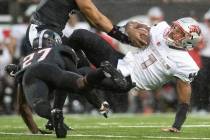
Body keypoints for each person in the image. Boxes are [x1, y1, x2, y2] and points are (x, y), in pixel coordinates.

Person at [63, 17, 201, 132]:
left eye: (179, 32)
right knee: (80, 35)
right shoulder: (161, 29)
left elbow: (184, 100)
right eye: (175, 27)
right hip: (121, 60)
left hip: (126, 80)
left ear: (188, 41)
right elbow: (132, 25)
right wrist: (129, 29)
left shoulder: (185, 64)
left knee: (81, 74)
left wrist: (177, 125)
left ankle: (85, 92)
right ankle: (89, 91)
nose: (172, 31)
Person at [6, 29, 127, 138]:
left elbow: (22, 106)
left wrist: (35, 131)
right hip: (52, 70)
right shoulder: (60, 50)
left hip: (31, 73)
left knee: (39, 103)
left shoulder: (25, 60)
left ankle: (54, 116)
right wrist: (99, 103)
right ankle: (103, 70)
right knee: (81, 83)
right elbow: (80, 83)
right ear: (55, 41)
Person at [25, 0, 148, 53]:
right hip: (42, 32)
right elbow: (96, 19)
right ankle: (21, 73)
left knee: (80, 63)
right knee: (64, 67)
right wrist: (123, 37)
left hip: (51, 31)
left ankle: (58, 107)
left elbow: (94, 20)